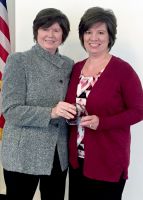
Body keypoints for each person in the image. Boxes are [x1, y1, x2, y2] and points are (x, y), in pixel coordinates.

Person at [65, 6, 143, 200]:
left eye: (101, 32)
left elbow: (139, 110)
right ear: (83, 36)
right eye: (89, 32)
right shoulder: (76, 69)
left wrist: (103, 122)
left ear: (110, 36)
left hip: (108, 160)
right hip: (77, 160)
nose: (94, 38)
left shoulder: (123, 71)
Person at [1, 8, 76, 200]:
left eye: (56, 30)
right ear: (36, 31)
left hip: (57, 152)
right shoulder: (19, 60)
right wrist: (51, 112)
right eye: (45, 28)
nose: (50, 35)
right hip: (23, 153)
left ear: (63, 35)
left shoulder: (69, 64)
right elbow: (11, 110)